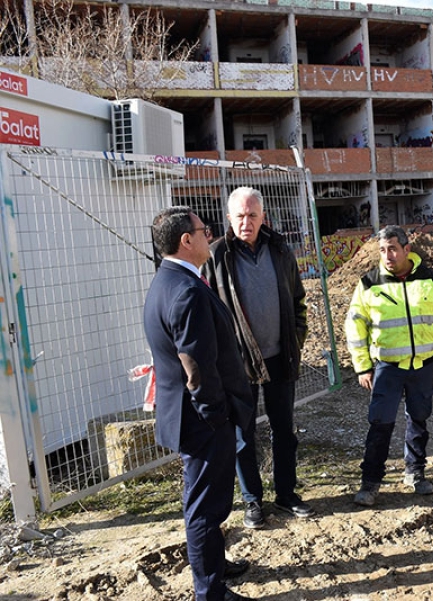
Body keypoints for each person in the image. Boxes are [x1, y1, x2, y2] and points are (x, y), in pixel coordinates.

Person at [143, 207, 256, 601]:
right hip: (202, 421)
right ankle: (210, 591)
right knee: (205, 509)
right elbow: (198, 368)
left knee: (209, 501)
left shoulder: (169, 279)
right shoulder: (186, 290)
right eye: (203, 230)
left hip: (192, 417)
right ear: (186, 241)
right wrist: (217, 416)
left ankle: (216, 566)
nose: (210, 235)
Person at [203, 186, 312, 530]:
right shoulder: (216, 256)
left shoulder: (280, 250)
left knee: (284, 431)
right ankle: (253, 501)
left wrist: (296, 337)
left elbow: (298, 300)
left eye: (252, 215)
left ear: (263, 216)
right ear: (229, 219)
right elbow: (205, 310)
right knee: (242, 436)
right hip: (237, 364)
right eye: (240, 216)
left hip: (281, 357)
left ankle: (286, 494)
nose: (246, 222)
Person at [344, 225, 433, 507]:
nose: (387, 256)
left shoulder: (432, 280)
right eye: (382, 250)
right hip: (387, 368)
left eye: (393, 249)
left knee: (418, 419)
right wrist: (362, 366)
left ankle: (415, 472)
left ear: (407, 249)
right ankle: (371, 482)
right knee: (380, 424)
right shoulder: (370, 284)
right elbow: (354, 326)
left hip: (422, 366)